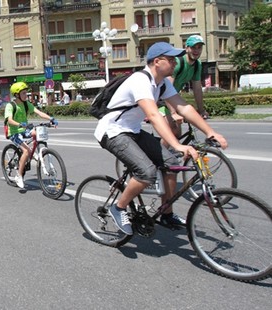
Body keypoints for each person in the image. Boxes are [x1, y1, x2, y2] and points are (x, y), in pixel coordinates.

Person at [94, 42, 228, 235]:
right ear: (157, 61)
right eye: (171, 59)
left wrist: (210, 132)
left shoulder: (162, 83)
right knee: (146, 172)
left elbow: (183, 107)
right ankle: (119, 207)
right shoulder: (140, 81)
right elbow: (154, 115)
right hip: (112, 132)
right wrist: (177, 144)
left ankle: (166, 213)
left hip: (132, 131)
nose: (175, 63)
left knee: (171, 162)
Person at [4, 82, 58, 189]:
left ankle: (33, 153)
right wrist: (20, 124)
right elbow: (9, 120)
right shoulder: (11, 105)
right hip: (14, 131)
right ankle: (19, 176)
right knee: (25, 151)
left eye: (26, 93)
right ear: (17, 95)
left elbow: (38, 112)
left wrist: (51, 118)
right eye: (23, 93)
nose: (26, 95)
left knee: (37, 133)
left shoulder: (26, 103)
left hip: (24, 129)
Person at [162, 35, 208, 139]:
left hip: (172, 98)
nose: (196, 51)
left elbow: (197, 89)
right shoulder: (178, 62)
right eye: (193, 47)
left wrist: (201, 110)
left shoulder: (197, 65)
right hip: (160, 98)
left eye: (199, 47)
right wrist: (173, 113)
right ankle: (160, 155)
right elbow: (167, 87)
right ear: (186, 48)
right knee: (172, 132)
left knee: (178, 134)